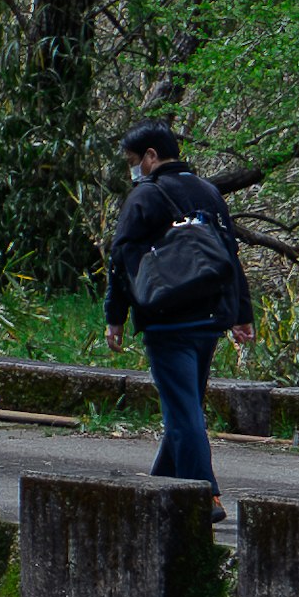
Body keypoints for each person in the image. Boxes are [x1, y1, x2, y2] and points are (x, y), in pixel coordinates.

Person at [101, 116, 254, 493]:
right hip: (209, 321)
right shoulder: (208, 193)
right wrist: (241, 314)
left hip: (167, 321)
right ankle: (161, 486)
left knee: (183, 412)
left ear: (151, 156)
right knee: (186, 405)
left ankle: (204, 495)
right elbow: (230, 257)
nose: (131, 168)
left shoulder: (145, 196)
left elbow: (121, 260)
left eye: (133, 159)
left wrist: (114, 317)